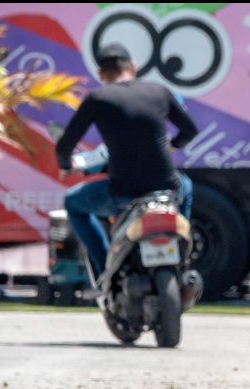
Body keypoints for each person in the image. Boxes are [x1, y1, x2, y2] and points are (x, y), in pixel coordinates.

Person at [55, 43, 198, 275]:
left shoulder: (98, 98)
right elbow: (190, 130)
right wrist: (173, 145)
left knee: (73, 202)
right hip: (167, 189)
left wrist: (66, 165)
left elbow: (64, 146)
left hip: (123, 193)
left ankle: (104, 269)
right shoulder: (158, 91)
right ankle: (183, 249)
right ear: (133, 67)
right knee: (187, 186)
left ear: (101, 74)